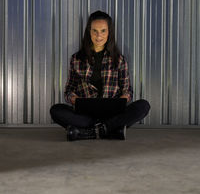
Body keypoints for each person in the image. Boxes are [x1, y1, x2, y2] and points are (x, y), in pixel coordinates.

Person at [50, 10, 150, 141]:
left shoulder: (119, 60)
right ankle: (110, 130)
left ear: (109, 32)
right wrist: (73, 98)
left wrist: (125, 97)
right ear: (89, 32)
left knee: (143, 106)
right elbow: (69, 90)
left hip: (112, 114)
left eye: (103, 31)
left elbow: (127, 90)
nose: (98, 36)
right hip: (86, 116)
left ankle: (88, 133)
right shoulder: (76, 59)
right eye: (94, 31)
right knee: (56, 110)